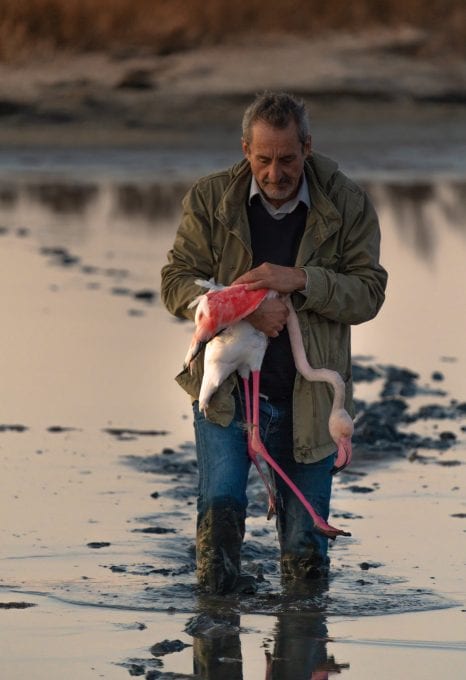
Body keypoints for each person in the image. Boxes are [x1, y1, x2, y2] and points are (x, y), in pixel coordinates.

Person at [161, 91, 387, 594]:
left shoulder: (346, 202)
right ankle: (215, 634)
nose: (275, 173)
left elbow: (369, 293)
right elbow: (176, 278)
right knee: (220, 512)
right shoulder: (210, 198)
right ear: (246, 150)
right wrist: (246, 308)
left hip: (306, 401)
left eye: (287, 159)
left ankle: (303, 645)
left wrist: (301, 279)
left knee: (307, 565)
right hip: (226, 394)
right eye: (263, 159)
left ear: (307, 147)